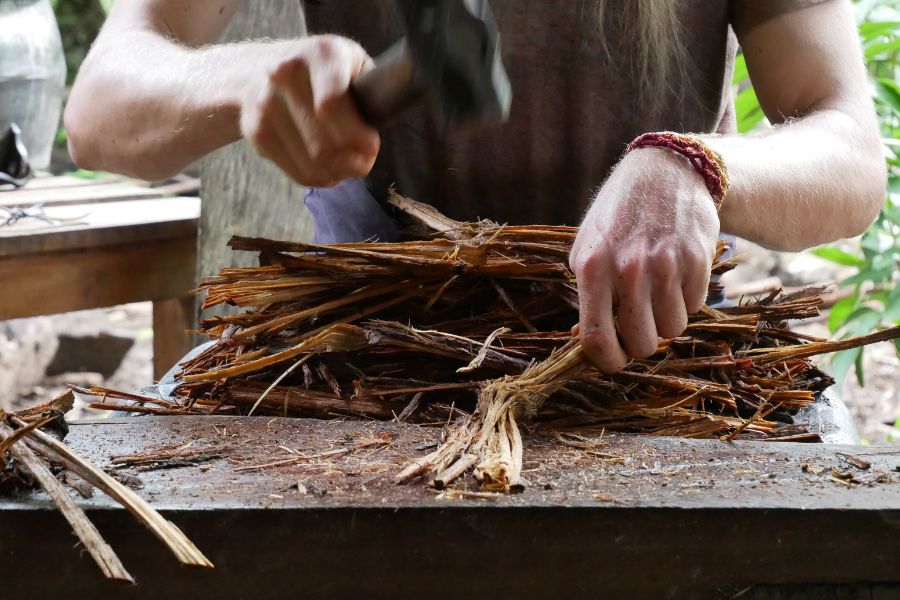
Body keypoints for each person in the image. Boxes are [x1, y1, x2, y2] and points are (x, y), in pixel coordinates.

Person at [65, 0, 885, 377]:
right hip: (371, 351)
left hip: (649, 349)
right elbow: (101, 107)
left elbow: (850, 153)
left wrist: (694, 164)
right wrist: (240, 80)